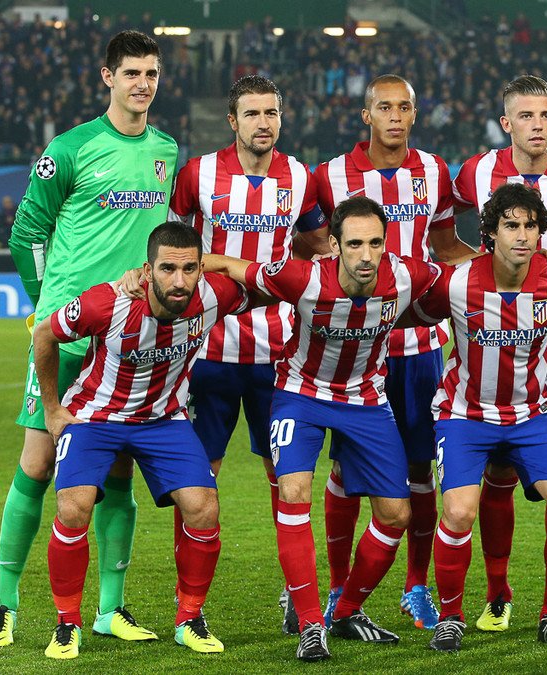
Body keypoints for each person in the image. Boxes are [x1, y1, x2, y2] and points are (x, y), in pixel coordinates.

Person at [0, 30, 177, 649]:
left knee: (116, 472)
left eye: (151, 73)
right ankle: (4, 603)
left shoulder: (166, 150)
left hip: (128, 344)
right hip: (69, 337)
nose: (142, 83)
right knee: (38, 465)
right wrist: (44, 305)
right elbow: (26, 233)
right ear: (107, 77)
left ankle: (109, 610)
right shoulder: (68, 150)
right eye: (131, 73)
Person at [204, 196, 443, 662]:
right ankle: (311, 624)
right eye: (354, 244)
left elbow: (469, 280)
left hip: (366, 400)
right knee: (293, 492)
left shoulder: (408, 275)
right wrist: (174, 268)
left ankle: (346, 610)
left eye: (375, 243)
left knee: (397, 515)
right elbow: (233, 266)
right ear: (333, 245)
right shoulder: (303, 277)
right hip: (301, 395)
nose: (366, 255)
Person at [415, 183, 547, 653]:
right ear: (490, 233)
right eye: (511, 225)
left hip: (532, 416)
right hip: (464, 416)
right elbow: (415, 314)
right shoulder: (456, 282)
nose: (522, 235)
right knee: (458, 512)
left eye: (530, 226)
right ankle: (450, 617)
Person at [35, 222, 250, 658]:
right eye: (167, 268)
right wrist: (53, 409)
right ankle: (67, 623)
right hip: (96, 417)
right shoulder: (108, 302)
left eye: (189, 269)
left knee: (204, 508)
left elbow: (266, 280)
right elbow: (44, 333)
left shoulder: (215, 296)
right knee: (73, 506)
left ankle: (189, 619)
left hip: (163, 420)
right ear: (147, 270)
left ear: (202, 269)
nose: (179, 281)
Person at [312, 74, 477, 630]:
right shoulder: (331, 175)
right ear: (366, 115)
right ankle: (338, 587)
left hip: (420, 345)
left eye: (405, 107)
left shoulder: (433, 171)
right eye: (384, 107)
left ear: (415, 113)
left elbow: (446, 245)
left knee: (420, 468)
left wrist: (495, 270)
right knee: (344, 467)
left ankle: (416, 585)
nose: (395, 116)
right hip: (355, 348)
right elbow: (312, 244)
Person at [168, 74, 329, 635]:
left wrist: (291, 272)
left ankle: (295, 596)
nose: (264, 122)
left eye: (272, 112)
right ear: (232, 121)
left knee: (287, 480)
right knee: (198, 482)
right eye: (253, 113)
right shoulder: (198, 174)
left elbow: (316, 244)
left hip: (278, 354)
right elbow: (176, 247)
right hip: (207, 352)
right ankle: (189, 605)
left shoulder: (299, 178)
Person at [452, 74, 547, 634]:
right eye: (525, 116)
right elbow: (438, 228)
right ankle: (498, 591)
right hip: (499, 349)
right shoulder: (475, 172)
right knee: (498, 474)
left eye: (545, 116)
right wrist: (481, 273)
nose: (537, 125)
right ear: (506, 122)